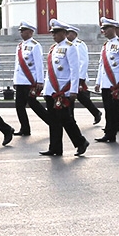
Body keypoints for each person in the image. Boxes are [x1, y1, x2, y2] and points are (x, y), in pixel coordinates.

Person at [39, 22, 89, 157]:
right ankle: (55, 147)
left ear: (64, 33)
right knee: (53, 120)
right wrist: (46, 89)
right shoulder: (53, 48)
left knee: (66, 119)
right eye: (52, 33)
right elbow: (50, 71)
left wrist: (74, 90)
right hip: (52, 90)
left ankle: (80, 142)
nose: (53, 35)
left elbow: (74, 70)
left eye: (56, 32)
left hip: (63, 89)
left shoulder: (70, 47)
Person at [11, 21, 48, 136]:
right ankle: (25, 128)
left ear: (30, 32)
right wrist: (15, 80)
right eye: (21, 31)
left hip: (29, 80)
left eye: (23, 31)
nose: (21, 33)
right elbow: (17, 65)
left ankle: (51, 122)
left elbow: (39, 64)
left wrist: (40, 81)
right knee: (19, 106)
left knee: (33, 104)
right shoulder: (20, 46)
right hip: (20, 81)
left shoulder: (35, 45)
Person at [65, 26, 102, 124]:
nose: (67, 35)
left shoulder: (79, 45)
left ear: (74, 34)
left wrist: (80, 78)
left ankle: (72, 118)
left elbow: (83, 62)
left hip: (78, 77)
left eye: (69, 33)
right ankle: (95, 112)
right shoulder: (67, 45)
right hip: (70, 76)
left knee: (78, 97)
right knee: (80, 98)